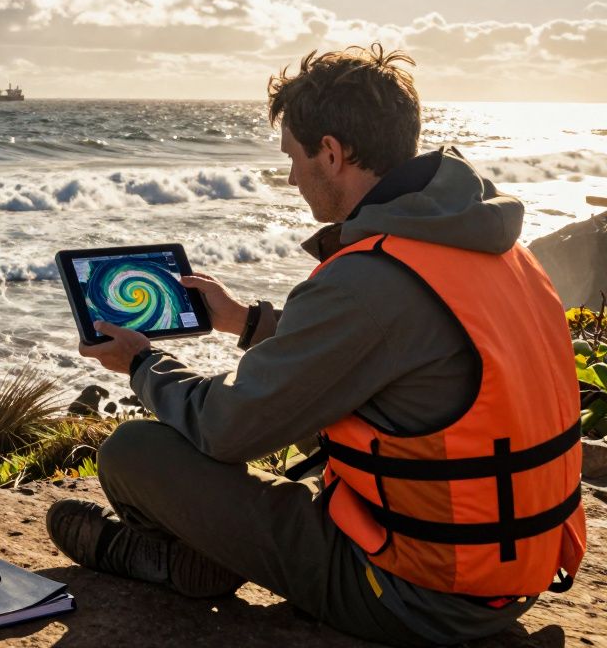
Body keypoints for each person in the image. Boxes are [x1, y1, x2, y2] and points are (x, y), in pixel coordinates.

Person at [46, 44, 586, 646]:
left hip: (413, 595)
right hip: (512, 571)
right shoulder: (501, 250)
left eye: (293, 157)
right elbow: (407, 349)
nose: (291, 177)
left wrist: (142, 363)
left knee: (136, 449)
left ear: (331, 152)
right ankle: (192, 558)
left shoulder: (368, 280)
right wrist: (247, 323)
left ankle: (168, 561)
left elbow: (227, 429)